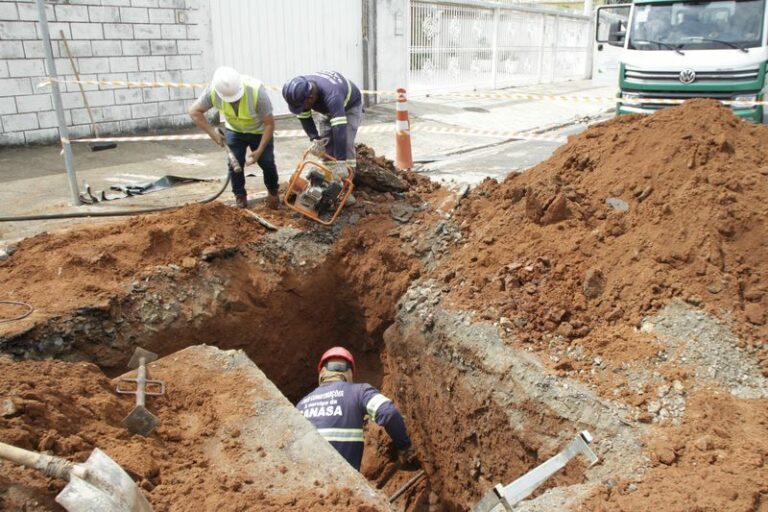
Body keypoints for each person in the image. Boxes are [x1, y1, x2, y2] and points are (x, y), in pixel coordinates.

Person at [297, 346, 415, 471]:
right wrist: (405, 447)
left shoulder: (301, 404)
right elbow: (389, 413)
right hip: (343, 484)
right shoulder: (359, 391)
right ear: (349, 373)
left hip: (307, 483)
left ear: (322, 373)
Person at [188, 66, 280, 209]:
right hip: (235, 130)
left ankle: (273, 193)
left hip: (260, 130)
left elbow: (269, 124)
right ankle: (240, 197)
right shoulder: (213, 91)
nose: (233, 102)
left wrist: (260, 150)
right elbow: (194, 112)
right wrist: (213, 133)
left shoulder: (256, 91)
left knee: (267, 162)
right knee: (234, 164)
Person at [281, 71, 363, 180]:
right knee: (326, 143)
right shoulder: (301, 90)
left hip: (349, 106)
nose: (301, 109)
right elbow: (304, 117)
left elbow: (340, 130)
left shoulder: (333, 96)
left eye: (301, 106)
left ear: (310, 98)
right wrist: (315, 139)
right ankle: (328, 179)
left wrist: (341, 162)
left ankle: (348, 180)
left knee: (346, 143)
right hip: (326, 107)